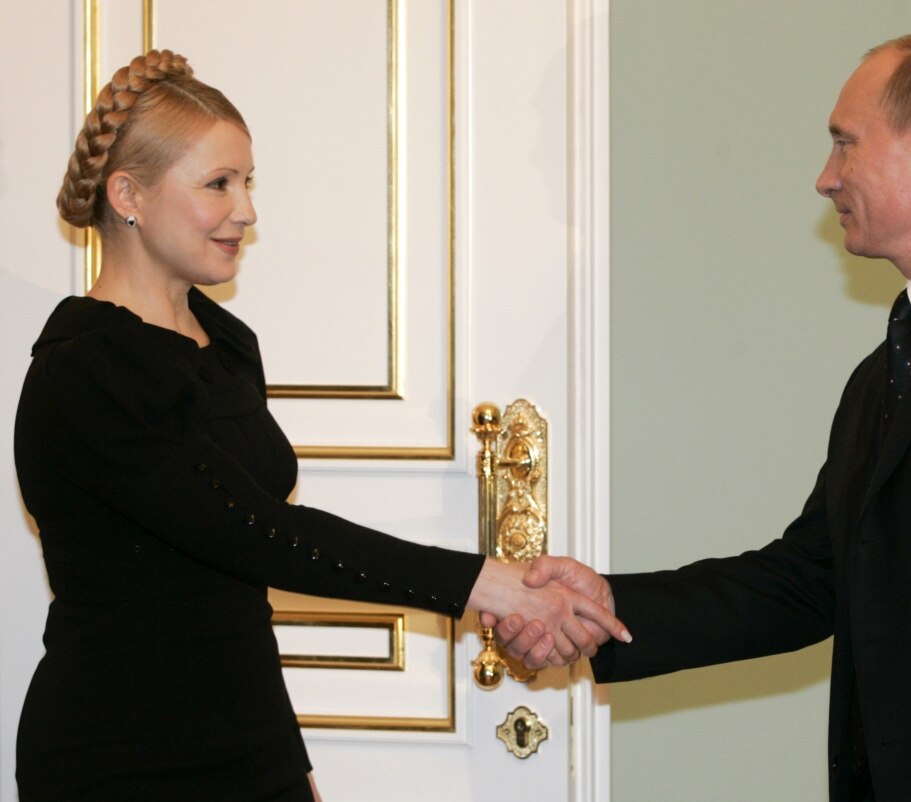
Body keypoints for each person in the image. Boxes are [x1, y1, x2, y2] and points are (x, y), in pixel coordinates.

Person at [494, 30, 911, 800]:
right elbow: (808, 579)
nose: (825, 178)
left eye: (845, 143)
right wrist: (609, 608)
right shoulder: (879, 377)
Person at [13, 50, 629, 802]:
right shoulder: (87, 369)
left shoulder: (224, 341)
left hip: (247, 742)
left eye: (248, 182)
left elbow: (238, 597)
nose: (247, 210)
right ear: (128, 195)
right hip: (118, 755)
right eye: (218, 184)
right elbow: (260, 534)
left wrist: (289, 760)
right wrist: (490, 585)